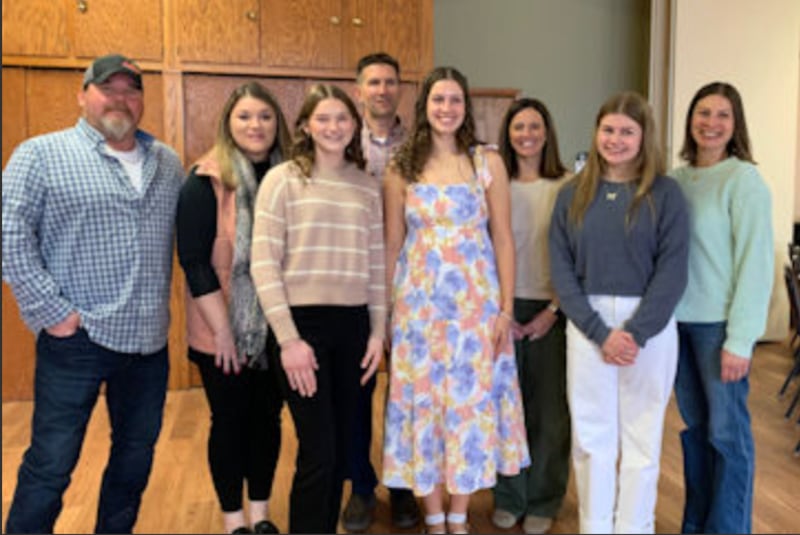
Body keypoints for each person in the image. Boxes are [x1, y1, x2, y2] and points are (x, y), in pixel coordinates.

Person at [2, 54, 183, 534]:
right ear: (83, 94)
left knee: (134, 460)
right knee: (51, 464)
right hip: (77, 340)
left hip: (148, 344)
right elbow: (10, 237)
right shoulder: (40, 154)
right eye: (108, 88)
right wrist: (53, 312)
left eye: (131, 90)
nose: (120, 99)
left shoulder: (167, 162)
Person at [382, 66, 530, 535]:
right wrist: (388, 315)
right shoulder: (400, 166)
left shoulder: (488, 162)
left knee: (468, 406)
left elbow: (504, 239)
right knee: (421, 406)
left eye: (455, 101)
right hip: (418, 310)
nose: (447, 109)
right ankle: (433, 516)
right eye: (438, 100)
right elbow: (392, 244)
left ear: (466, 107)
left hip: (475, 309)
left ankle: (460, 516)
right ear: (424, 106)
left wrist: (505, 309)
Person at [548, 91, 689, 534]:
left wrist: (636, 332)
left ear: (644, 137)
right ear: (596, 133)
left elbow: (673, 269)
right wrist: (599, 332)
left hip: (648, 326)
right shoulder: (572, 194)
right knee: (592, 438)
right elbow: (562, 269)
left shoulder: (666, 195)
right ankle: (596, 526)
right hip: (588, 325)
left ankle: (634, 526)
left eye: (627, 131)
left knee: (642, 438)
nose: (616, 139)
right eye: (608, 129)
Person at [250, 83, 386, 534]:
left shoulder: (367, 186)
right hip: (301, 328)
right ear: (306, 125)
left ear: (355, 125)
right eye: (323, 118)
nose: (333, 127)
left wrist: (377, 332)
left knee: (346, 448)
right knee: (319, 452)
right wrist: (288, 341)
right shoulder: (282, 179)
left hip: (354, 328)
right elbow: (263, 263)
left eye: (342, 118)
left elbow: (377, 265)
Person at [176, 82, 290, 534]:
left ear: (277, 123)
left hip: (276, 329)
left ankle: (260, 514)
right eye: (244, 116)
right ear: (228, 122)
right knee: (229, 423)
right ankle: (233, 520)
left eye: (264, 116)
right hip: (220, 330)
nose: (255, 125)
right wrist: (223, 332)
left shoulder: (291, 176)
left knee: (267, 419)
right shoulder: (205, 179)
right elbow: (194, 262)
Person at [671, 82, 773, 534]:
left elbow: (757, 264)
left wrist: (741, 339)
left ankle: (729, 528)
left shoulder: (743, 179)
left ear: (736, 125)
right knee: (696, 431)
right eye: (703, 113)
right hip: (676, 326)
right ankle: (697, 523)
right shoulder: (675, 180)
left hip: (719, 329)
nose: (710, 123)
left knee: (727, 436)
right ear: (690, 119)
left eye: (722, 115)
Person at [342, 51, 421, 533]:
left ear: (400, 90)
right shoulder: (342, 142)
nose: (382, 90)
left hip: (414, 284)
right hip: (354, 282)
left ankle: (405, 487)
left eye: (391, 81)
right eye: (373, 82)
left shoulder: (420, 145)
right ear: (359, 90)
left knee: (408, 393)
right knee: (357, 392)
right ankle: (360, 487)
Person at [491, 98, 571, 535]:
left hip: (552, 311)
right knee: (506, 409)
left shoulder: (567, 186)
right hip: (501, 309)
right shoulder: (492, 184)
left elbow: (576, 257)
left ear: (547, 132)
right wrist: (500, 310)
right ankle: (509, 495)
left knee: (549, 413)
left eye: (535, 126)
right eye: (518, 126)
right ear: (508, 133)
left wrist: (552, 311)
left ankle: (544, 497)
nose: (526, 134)